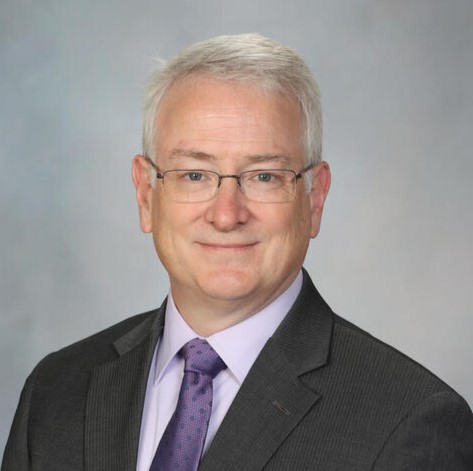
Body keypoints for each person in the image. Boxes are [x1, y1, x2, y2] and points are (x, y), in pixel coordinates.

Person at [2, 34, 473, 471]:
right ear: (146, 195)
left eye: (264, 176)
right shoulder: (56, 390)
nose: (227, 215)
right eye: (193, 175)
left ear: (314, 199)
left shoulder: (410, 423)